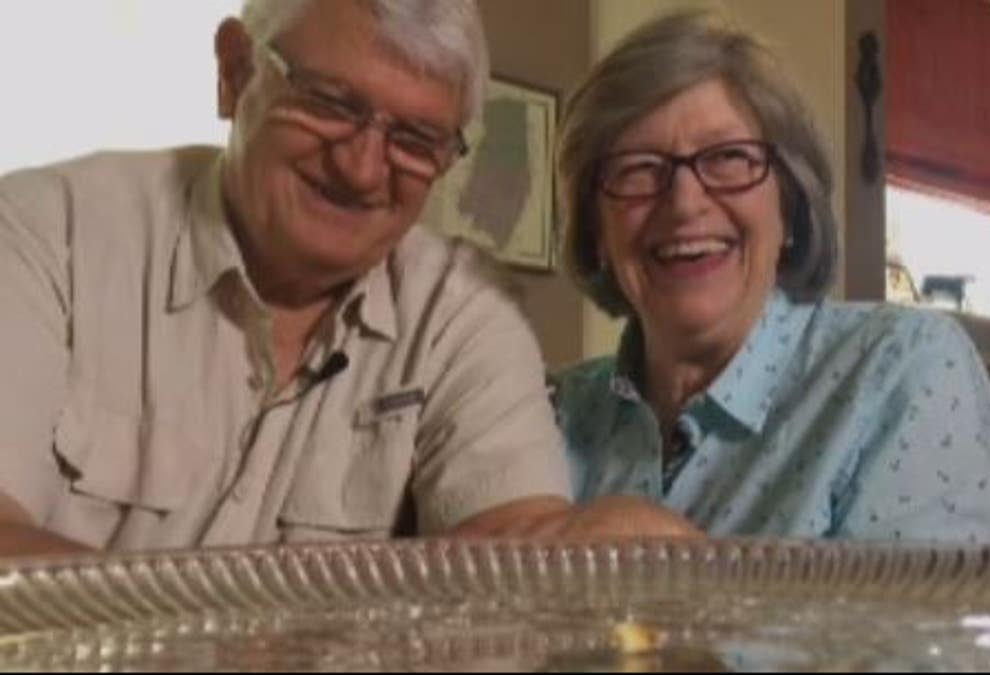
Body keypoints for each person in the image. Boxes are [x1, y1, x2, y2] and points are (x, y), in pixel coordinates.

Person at [0, 0, 699, 557]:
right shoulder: (44, 233)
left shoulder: (466, 316)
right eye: (329, 102)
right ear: (234, 71)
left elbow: (510, 566)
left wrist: (589, 546)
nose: (362, 168)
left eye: (415, 140)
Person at [552, 10, 990, 544]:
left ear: (791, 203)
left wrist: (685, 574)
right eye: (637, 168)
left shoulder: (901, 366)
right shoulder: (550, 412)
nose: (684, 204)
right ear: (595, 228)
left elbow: (935, 626)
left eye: (729, 157)